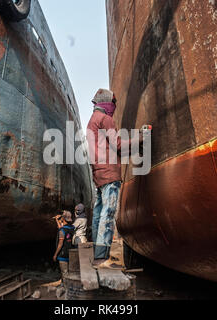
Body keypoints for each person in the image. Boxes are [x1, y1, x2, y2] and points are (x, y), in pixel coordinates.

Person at [86, 89, 141, 269]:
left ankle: (97, 254)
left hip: (98, 172)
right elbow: (118, 145)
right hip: (110, 173)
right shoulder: (106, 119)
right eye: (113, 104)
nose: (114, 108)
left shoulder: (92, 121)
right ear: (108, 103)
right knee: (108, 214)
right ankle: (102, 258)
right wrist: (141, 138)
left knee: (98, 213)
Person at [53, 211, 75, 280]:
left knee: (65, 274)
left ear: (63, 219)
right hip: (71, 253)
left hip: (63, 255)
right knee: (71, 272)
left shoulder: (62, 231)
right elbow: (61, 228)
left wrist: (55, 255)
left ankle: (66, 288)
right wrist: (57, 220)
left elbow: (60, 244)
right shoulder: (72, 228)